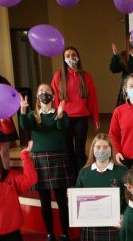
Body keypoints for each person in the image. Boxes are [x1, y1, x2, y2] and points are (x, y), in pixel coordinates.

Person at [18, 83, 72, 241]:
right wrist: (23, 111)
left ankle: (64, 234)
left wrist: (61, 115)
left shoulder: (59, 113)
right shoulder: (34, 116)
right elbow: (24, 125)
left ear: (53, 96)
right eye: (41, 91)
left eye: (47, 91)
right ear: (37, 97)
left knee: (62, 200)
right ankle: (50, 235)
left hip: (58, 158)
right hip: (40, 159)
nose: (44, 93)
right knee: (45, 201)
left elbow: (63, 128)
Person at [51, 46, 100, 174]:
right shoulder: (58, 76)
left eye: (73, 55)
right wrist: (57, 116)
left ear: (78, 57)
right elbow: (55, 97)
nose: (71, 58)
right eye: (67, 56)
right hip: (64, 118)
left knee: (79, 151)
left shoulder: (86, 76)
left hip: (81, 118)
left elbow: (92, 98)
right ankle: (69, 178)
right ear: (63, 59)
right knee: (67, 150)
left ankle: (81, 176)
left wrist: (95, 118)